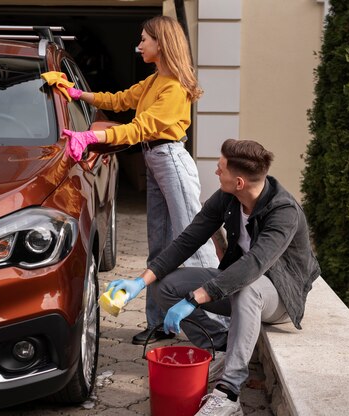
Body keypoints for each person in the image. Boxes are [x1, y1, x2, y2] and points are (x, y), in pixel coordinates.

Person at [107, 139, 321, 415]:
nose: (216, 173)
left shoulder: (284, 211)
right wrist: (140, 280)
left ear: (240, 182)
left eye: (221, 169)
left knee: (248, 289)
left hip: (279, 294)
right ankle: (221, 348)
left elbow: (254, 265)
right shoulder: (227, 198)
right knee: (165, 286)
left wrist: (195, 298)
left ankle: (228, 393)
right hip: (238, 283)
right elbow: (187, 240)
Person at [61, 15, 221, 345]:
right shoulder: (153, 82)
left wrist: (92, 138)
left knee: (195, 244)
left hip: (172, 161)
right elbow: (119, 100)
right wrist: (78, 94)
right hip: (155, 160)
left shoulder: (174, 88)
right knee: (159, 245)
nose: (140, 44)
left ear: (161, 44)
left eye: (145, 39)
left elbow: (140, 128)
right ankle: (160, 323)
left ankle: (220, 324)